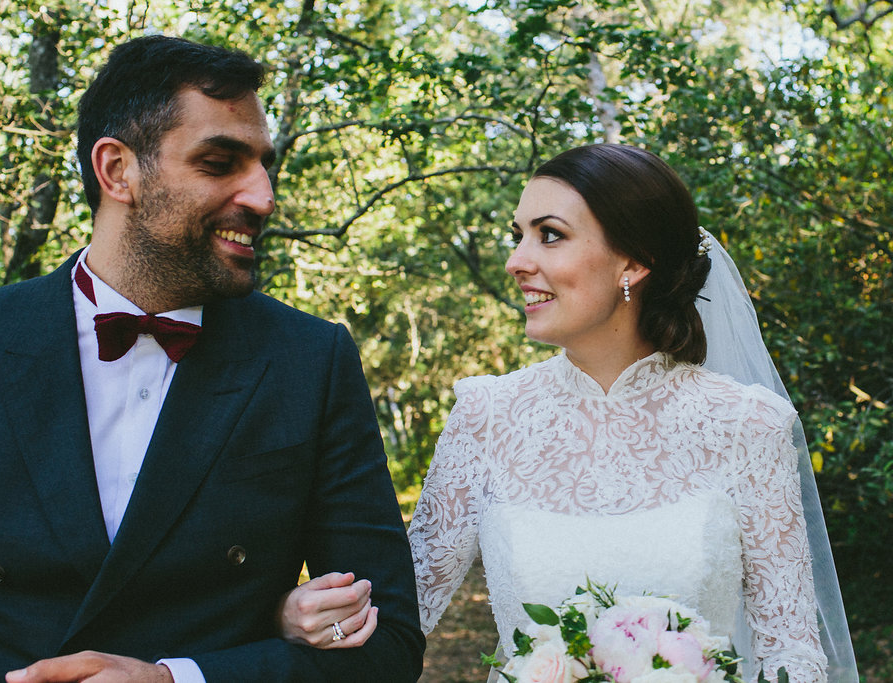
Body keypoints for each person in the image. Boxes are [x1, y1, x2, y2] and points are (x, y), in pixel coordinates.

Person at [0, 35, 424, 682]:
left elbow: (389, 645)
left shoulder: (309, 361)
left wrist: (175, 678)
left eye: (263, 166)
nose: (264, 197)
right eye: (219, 162)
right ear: (117, 171)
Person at [278, 144, 858, 682]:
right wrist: (293, 616)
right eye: (518, 236)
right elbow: (399, 611)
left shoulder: (749, 425)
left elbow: (792, 653)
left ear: (634, 262)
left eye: (549, 235)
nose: (516, 261)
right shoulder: (487, 415)